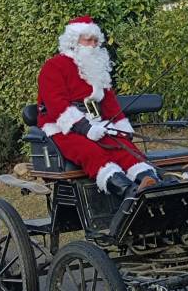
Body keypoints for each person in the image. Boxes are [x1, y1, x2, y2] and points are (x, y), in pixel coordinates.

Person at [37, 16, 160, 201]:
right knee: (90, 151)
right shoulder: (53, 66)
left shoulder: (96, 68)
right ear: (74, 41)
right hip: (64, 127)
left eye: (96, 41)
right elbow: (56, 104)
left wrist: (122, 129)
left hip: (98, 124)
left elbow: (110, 103)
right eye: (88, 40)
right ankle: (128, 192)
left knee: (124, 147)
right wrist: (85, 128)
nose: (93, 45)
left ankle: (149, 181)